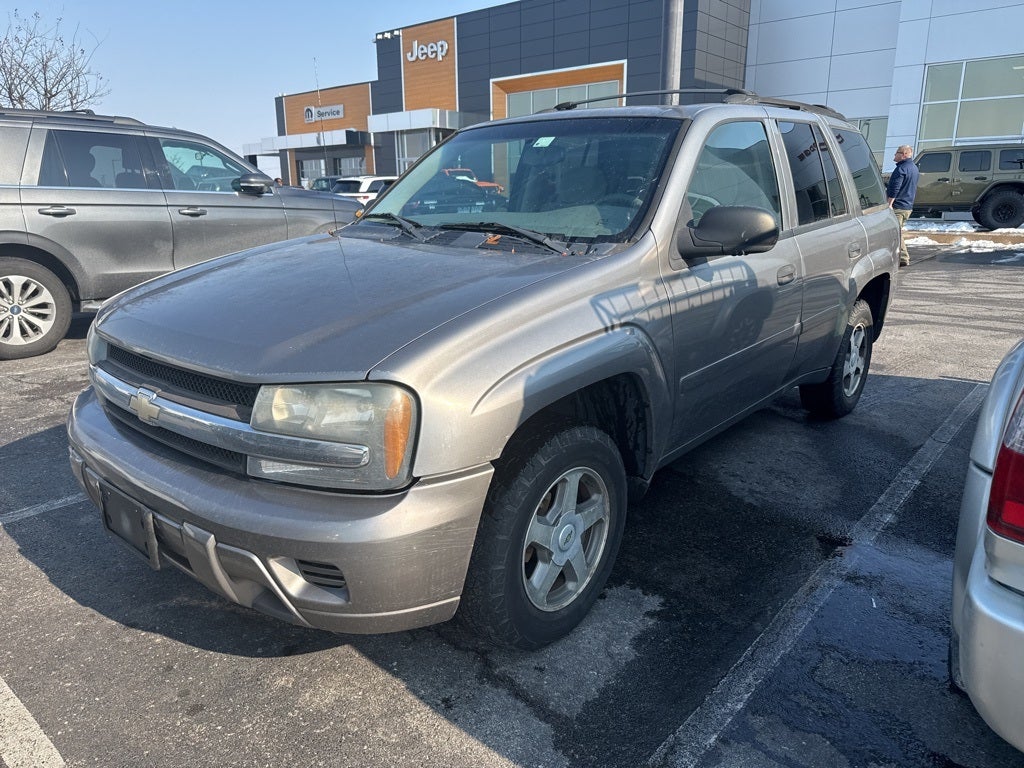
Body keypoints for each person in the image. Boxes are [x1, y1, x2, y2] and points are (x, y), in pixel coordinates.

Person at [887, 145, 919, 268]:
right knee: (897, 231)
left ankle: (903, 258)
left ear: (904, 154)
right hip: (907, 206)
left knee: (896, 232)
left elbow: (895, 188)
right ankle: (900, 257)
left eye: (897, 153)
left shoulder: (901, 169)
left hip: (898, 206)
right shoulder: (914, 168)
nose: (895, 155)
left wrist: (889, 204)